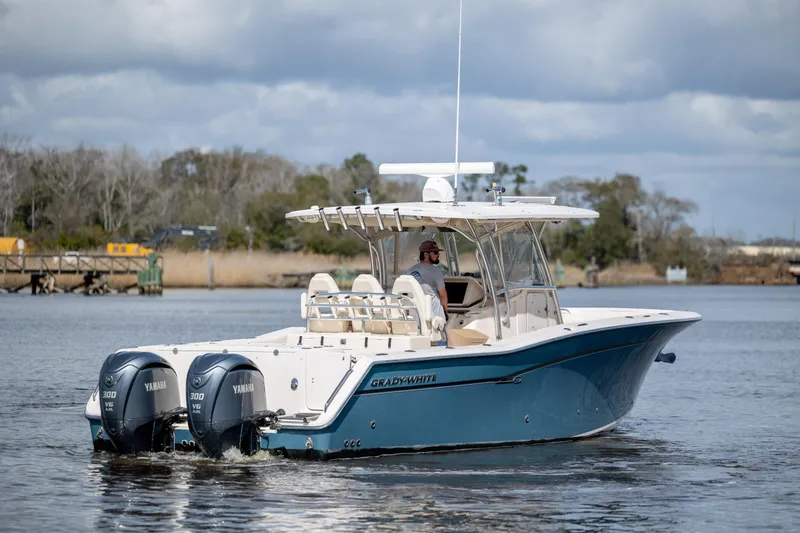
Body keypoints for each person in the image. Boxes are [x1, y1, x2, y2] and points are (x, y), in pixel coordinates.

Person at [405, 240, 448, 322]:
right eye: (435, 253)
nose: (438, 255)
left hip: (417, 314)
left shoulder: (409, 271)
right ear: (426, 254)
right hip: (435, 315)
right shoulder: (436, 271)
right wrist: (445, 310)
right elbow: (443, 294)